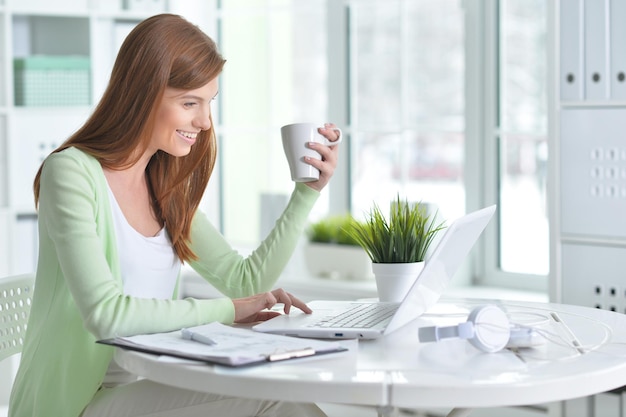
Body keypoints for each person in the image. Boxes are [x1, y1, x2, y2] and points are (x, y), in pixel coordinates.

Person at [9, 13, 340, 417]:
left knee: (283, 393)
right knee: (272, 398)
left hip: (147, 387)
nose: (203, 122)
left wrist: (306, 194)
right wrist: (230, 311)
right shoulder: (72, 173)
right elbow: (106, 314)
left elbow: (246, 281)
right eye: (189, 103)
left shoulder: (165, 186)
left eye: (208, 104)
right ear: (143, 94)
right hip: (75, 406)